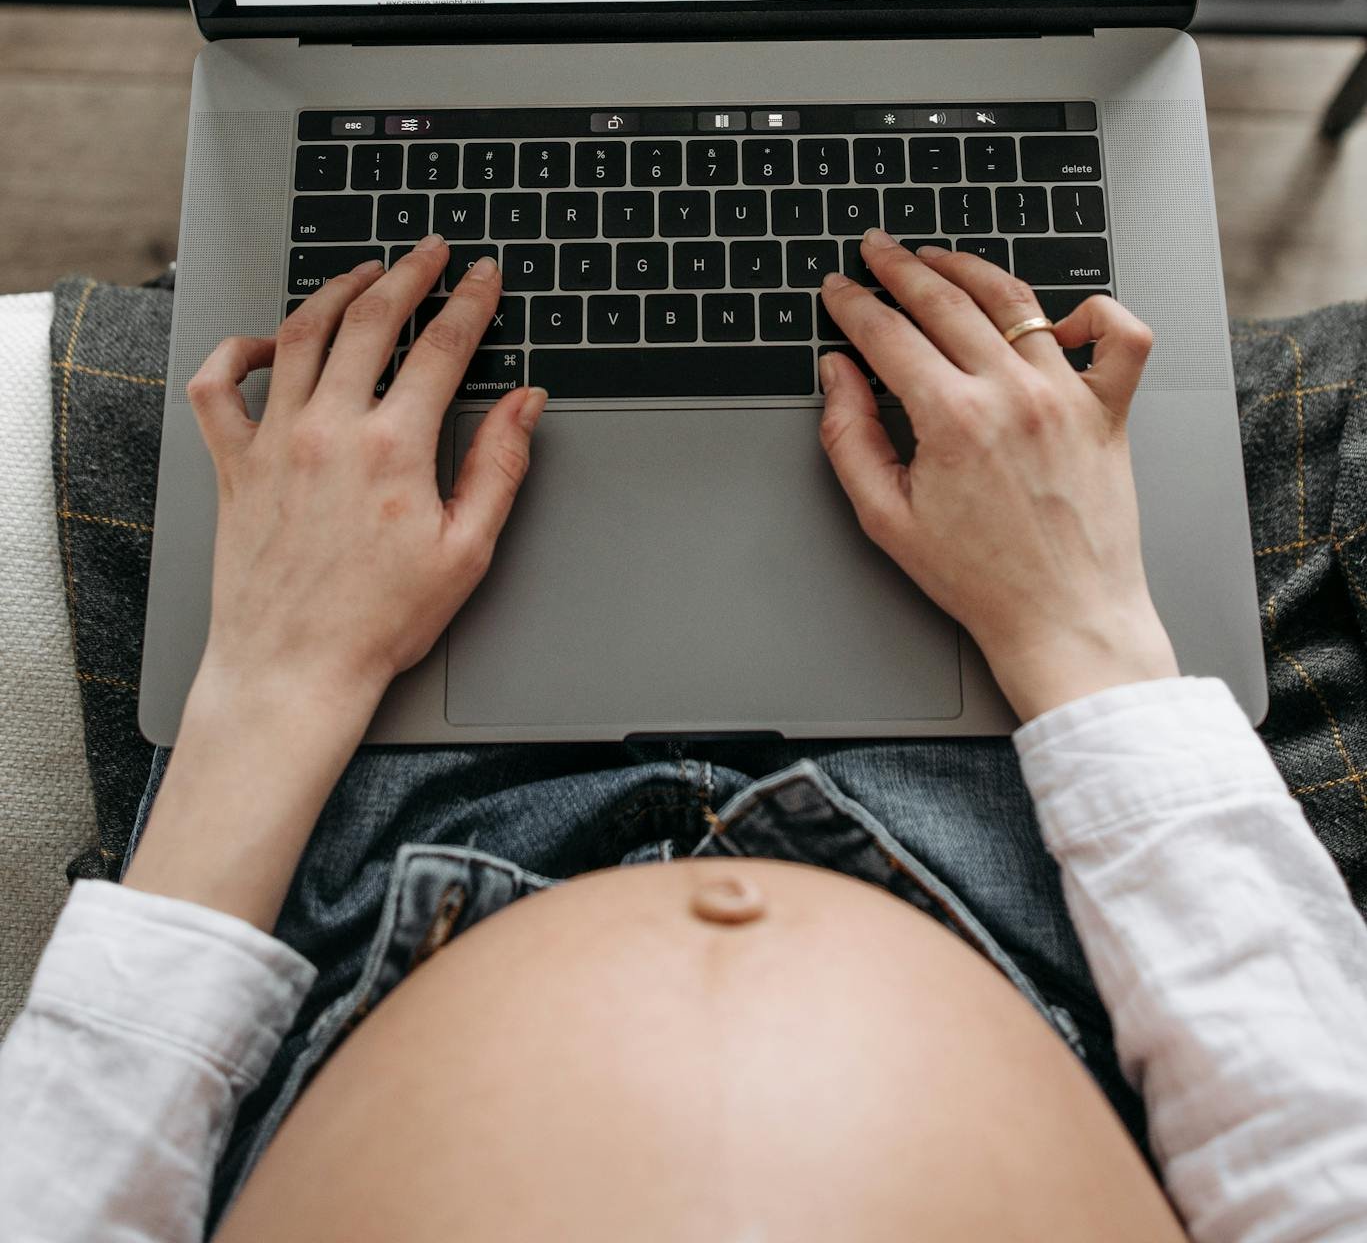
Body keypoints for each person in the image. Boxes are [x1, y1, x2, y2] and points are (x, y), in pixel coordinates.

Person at [3, 232, 1367, 1242]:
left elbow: (70, 1185)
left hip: (353, 863)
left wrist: (277, 675)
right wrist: (1082, 635)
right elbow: (1315, 1160)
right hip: (1040, 874)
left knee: (274, 316)